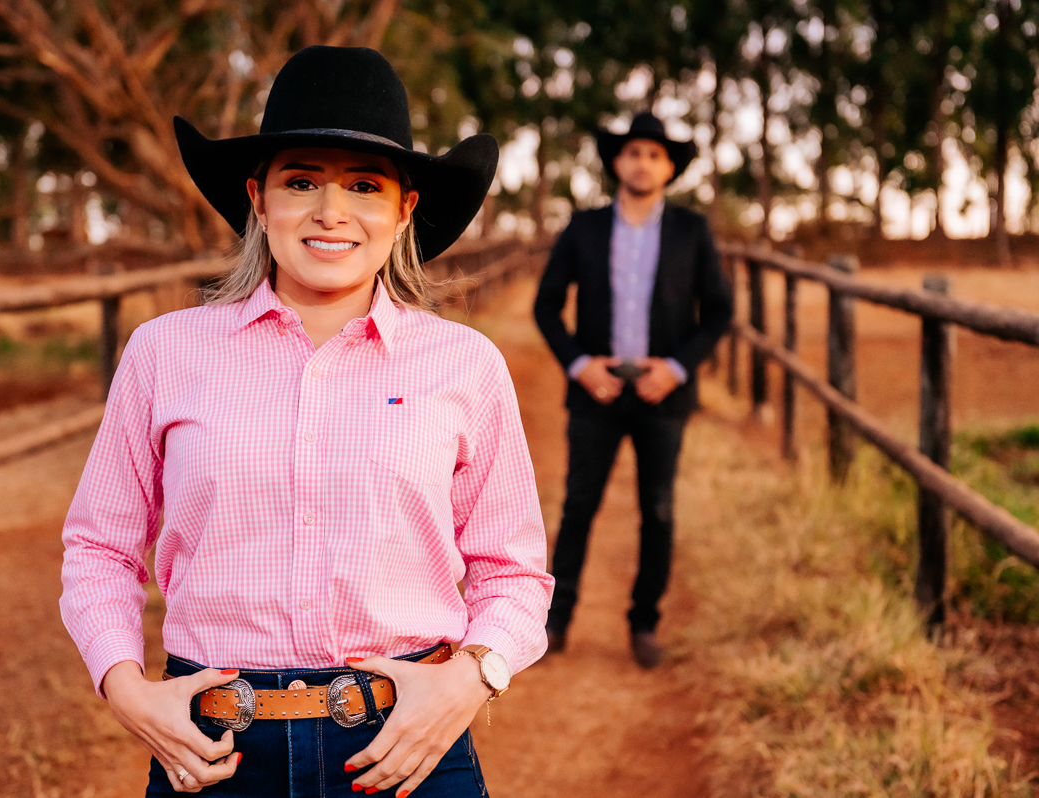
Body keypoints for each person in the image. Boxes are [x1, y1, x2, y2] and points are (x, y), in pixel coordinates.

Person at [60, 45, 552, 797]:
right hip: (213, 756)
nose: (332, 211)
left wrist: (471, 679)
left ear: (404, 209)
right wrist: (127, 692)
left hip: (409, 747)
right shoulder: (165, 353)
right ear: (258, 200)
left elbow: (512, 573)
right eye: (301, 182)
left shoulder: (465, 366)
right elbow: (99, 547)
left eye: (364, 185)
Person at [532, 112, 733, 669]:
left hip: (661, 395)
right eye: (633, 152)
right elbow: (545, 306)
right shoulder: (585, 227)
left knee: (659, 510)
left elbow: (719, 312)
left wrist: (674, 368)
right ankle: (556, 623)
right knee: (577, 506)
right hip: (595, 393)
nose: (642, 162)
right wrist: (579, 366)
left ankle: (644, 623)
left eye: (654, 154)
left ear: (669, 168)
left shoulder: (692, 231)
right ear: (617, 162)